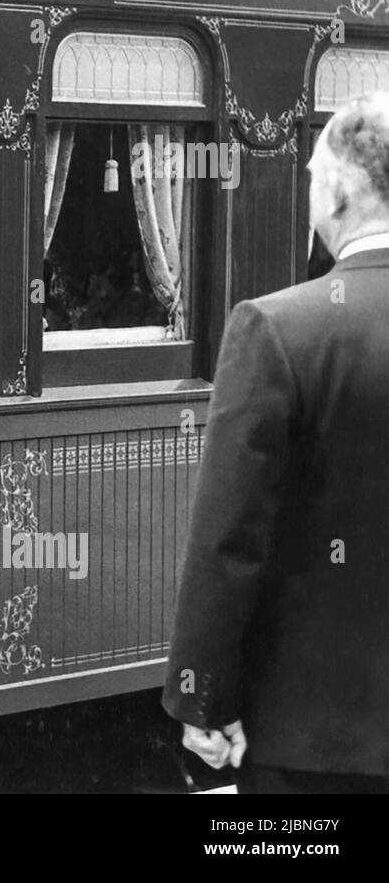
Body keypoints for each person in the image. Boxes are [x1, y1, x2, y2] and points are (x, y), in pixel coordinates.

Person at [163, 92, 389, 793]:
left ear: (344, 195)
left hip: (313, 738)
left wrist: (203, 700)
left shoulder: (277, 329)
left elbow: (229, 540)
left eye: (315, 178)